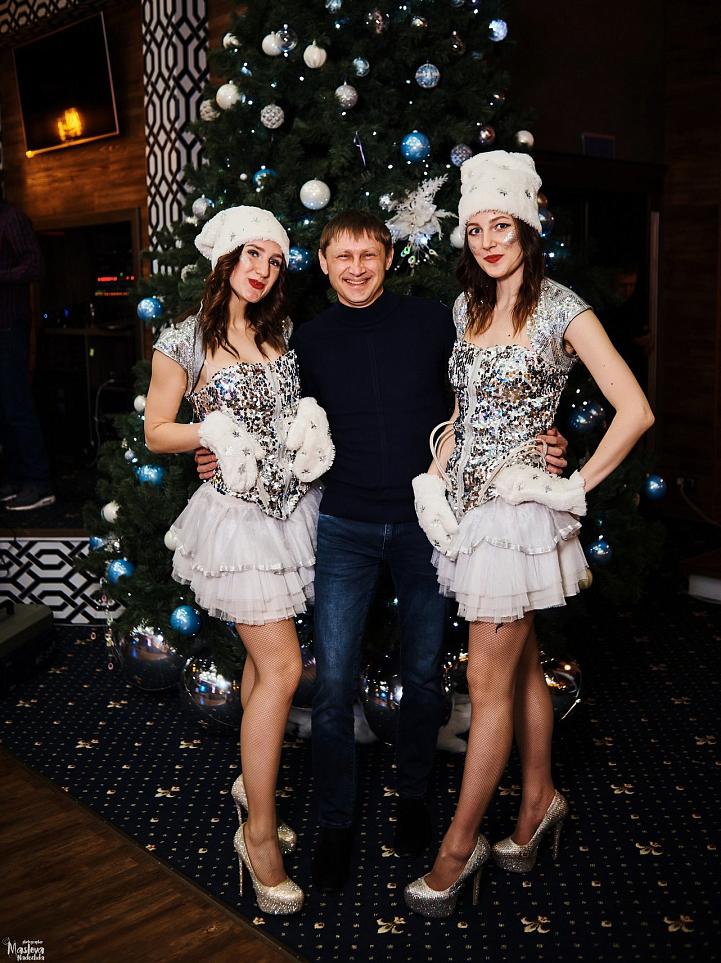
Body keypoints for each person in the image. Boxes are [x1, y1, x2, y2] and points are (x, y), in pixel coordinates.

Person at [195, 208, 568, 894]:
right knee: (333, 683)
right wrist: (212, 453)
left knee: (423, 676)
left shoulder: (434, 321)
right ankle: (336, 820)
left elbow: (485, 397)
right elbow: (268, 421)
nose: (356, 268)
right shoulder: (304, 339)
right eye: (342, 257)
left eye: (368, 255)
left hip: (427, 524)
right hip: (343, 523)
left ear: (389, 257)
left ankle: (415, 797)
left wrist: (543, 437)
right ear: (323, 263)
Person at [404, 151, 654, 917]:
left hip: (514, 518)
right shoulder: (464, 308)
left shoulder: (560, 307)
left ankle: (458, 848)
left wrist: (572, 485)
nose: (487, 241)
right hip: (466, 512)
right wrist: (436, 467)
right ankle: (539, 799)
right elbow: (466, 412)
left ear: (525, 228)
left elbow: (634, 410)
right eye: (475, 228)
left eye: (500, 226)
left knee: (485, 687)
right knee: (517, 672)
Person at [144, 206, 334, 916]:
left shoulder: (277, 332)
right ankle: (257, 836)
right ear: (225, 257)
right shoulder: (183, 339)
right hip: (236, 521)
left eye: (274, 261)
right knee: (283, 667)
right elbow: (156, 430)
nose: (262, 270)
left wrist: (305, 435)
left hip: (292, 511)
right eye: (252, 255)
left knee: (263, 666)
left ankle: (251, 791)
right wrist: (212, 434)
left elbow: (289, 418)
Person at [0, 198, 55, 511]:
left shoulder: (12, 219)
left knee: (17, 405)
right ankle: (17, 478)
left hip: (9, 325)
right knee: (4, 408)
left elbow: (35, 266)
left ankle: (40, 483)